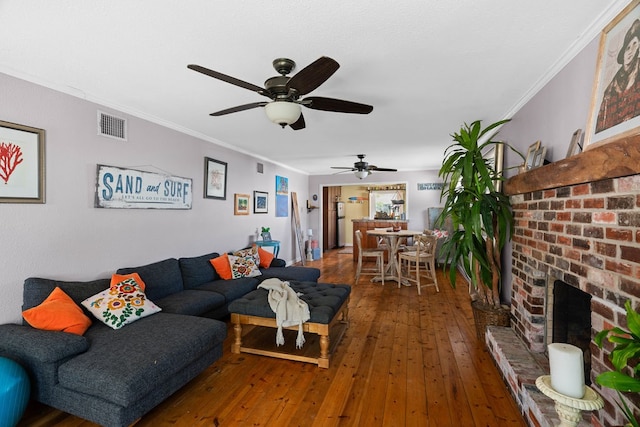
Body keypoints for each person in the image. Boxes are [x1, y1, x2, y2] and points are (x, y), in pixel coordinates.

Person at [596, 18, 640, 133]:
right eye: (628, 48)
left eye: (635, 44)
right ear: (623, 53)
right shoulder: (610, 90)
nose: (631, 51)